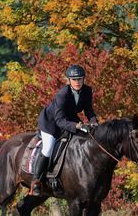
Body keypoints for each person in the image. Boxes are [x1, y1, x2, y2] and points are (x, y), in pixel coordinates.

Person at [30, 64, 98, 196]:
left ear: (84, 79)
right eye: (74, 79)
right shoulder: (62, 94)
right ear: (69, 80)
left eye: (80, 79)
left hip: (69, 119)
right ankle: (36, 181)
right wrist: (78, 126)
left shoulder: (87, 90)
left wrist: (94, 123)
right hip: (51, 123)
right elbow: (60, 121)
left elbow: (89, 111)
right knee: (48, 148)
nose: (77, 82)